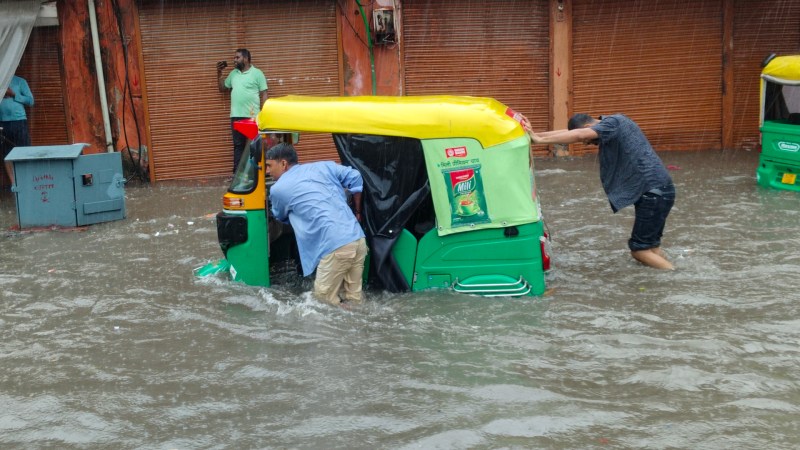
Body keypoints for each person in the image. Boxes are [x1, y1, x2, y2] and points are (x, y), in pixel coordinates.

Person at [525, 113, 676, 270]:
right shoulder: (613, 125)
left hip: (652, 193)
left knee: (640, 251)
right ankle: (669, 270)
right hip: (660, 191)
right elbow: (568, 132)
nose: (588, 144)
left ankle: (673, 278)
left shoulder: (614, 122)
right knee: (652, 247)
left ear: (588, 128)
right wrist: (532, 137)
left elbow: (577, 134)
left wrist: (540, 140)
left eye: (587, 141)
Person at [265, 143, 368, 305]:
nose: (267, 171)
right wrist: (358, 212)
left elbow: (280, 216)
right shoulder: (324, 166)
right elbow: (356, 177)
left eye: (269, 165)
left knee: (322, 301)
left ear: (283, 164)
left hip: (335, 246)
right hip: (357, 238)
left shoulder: (278, 189)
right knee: (353, 299)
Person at [216, 49, 268, 173]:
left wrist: (264, 114)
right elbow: (222, 88)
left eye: (237, 57)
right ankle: (238, 175)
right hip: (236, 117)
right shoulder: (233, 73)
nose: (235, 60)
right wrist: (218, 73)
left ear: (245, 59)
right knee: (238, 146)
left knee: (254, 146)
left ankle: (256, 175)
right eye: (234, 57)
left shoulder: (257, 73)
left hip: (252, 117)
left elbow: (264, 93)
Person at [1, 75, 34, 184]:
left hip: (19, 121)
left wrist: (13, 94)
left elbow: (30, 101)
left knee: (25, 151)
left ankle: (27, 182)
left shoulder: (20, 81)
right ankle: (14, 184)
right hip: (2, 123)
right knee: (6, 154)